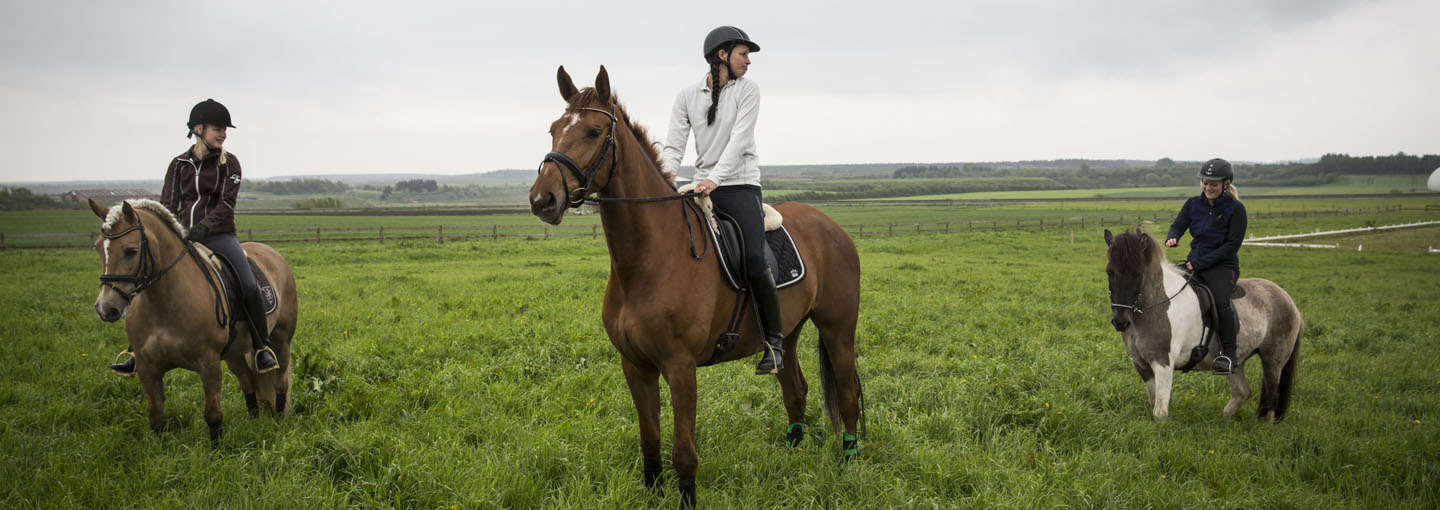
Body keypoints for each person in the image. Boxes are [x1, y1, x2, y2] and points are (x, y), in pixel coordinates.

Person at [110, 99, 279, 375]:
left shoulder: (230, 164)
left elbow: (226, 205)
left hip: (219, 236)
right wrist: (174, 231)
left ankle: (262, 347)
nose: (223, 133)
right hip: (181, 238)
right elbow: (167, 205)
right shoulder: (178, 165)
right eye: (218, 127)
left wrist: (203, 228)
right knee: (147, 282)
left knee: (248, 284)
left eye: (225, 129)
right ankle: (135, 350)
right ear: (198, 129)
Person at [661, 26, 783, 375]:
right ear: (722, 55)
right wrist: (667, 175)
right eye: (744, 54)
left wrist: (716, 178)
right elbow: (673, 146)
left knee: (753, 257)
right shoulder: (687, 96)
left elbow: (740, 141)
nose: (748, 61)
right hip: (701, 186)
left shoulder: (748, 91)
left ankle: (774, 342)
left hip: (740, 185)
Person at [1165, 158, 1248, 375]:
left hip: (1223, 266)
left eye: (1213, 183)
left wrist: (1200, 263)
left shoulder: (1236, 209)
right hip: (1195, 263)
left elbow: (1232, 246)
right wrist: (1172, 237)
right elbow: (1178, 225)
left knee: (1220, 300)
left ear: (1225, 184)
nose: (1208, 187)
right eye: (1205, 182)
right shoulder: (1193, 204)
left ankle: (1228, 354)